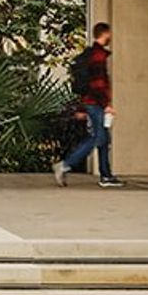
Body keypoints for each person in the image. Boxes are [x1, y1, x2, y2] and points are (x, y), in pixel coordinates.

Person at [52, 23, 123, 188]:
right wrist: (106, 105)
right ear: (104, 34)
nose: (110, 37)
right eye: (109, 33)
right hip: (97, 104)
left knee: (104, 139)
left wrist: (83, 108)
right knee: (97, 138)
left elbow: (87, 84)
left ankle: (106, 175)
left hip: (92, 103)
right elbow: (97, 84)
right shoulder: (98, 56)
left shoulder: (91, 54)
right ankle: (64, 165)